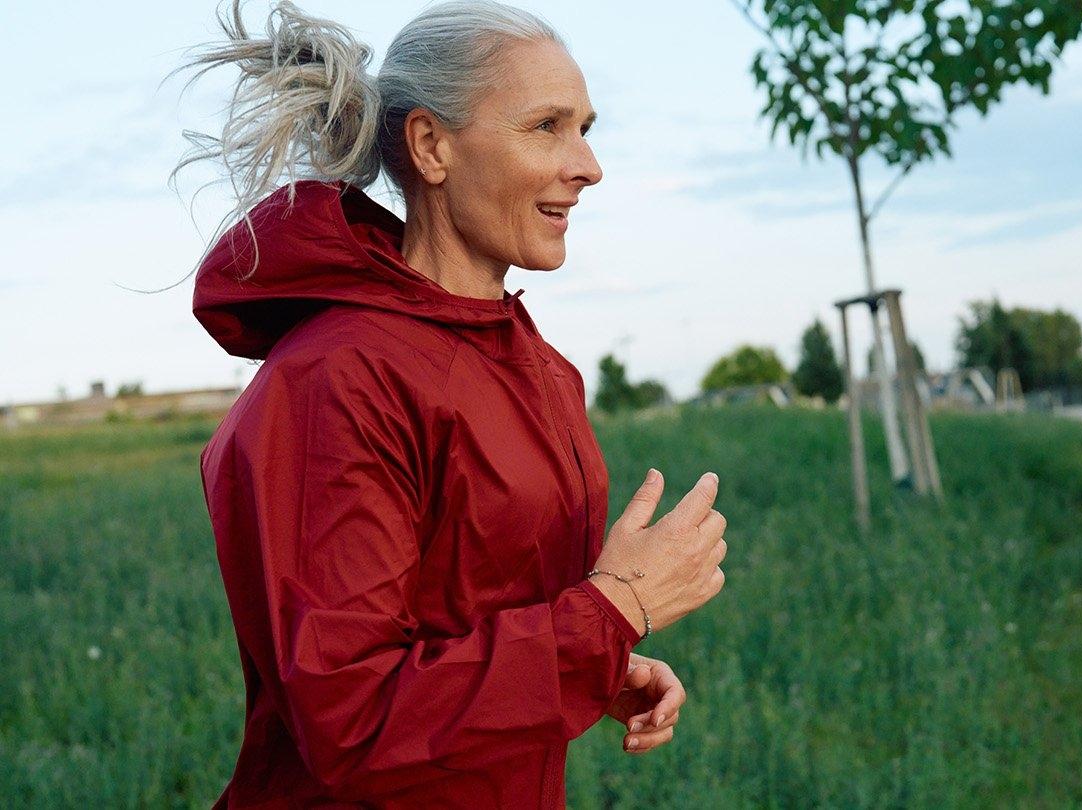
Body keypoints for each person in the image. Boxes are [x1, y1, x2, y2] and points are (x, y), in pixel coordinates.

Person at [173, 1, 728, 806]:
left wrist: (598, 662)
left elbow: (472, 612)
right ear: (432, 146)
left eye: (586, 126)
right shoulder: (339, 379)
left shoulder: (542, 368)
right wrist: (610, 613)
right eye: (546, 126)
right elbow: (351, 716)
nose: (589, 165)